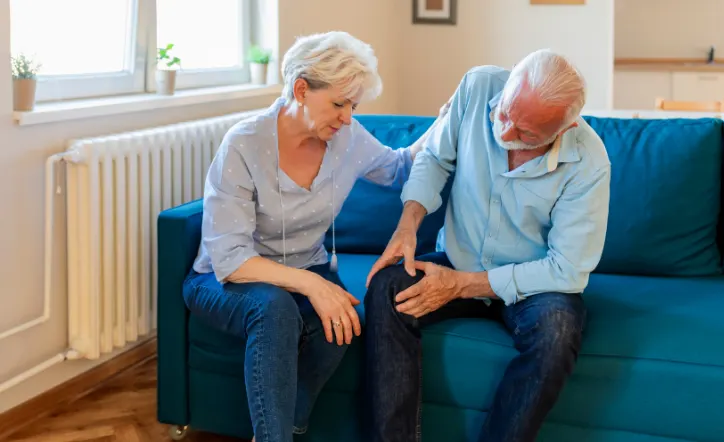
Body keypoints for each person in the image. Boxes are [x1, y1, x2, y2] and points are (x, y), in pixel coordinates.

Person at [182, 31, 448, 442]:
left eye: (353, 106)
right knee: (275, 310)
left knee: (341, 322)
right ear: (301, 89)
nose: (346, 117)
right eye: (339, 104)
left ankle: (287, 425)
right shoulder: (245, 143)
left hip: (305, 268)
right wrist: (313, 285)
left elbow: (399, 169)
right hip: (225, 279)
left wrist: (447, 121)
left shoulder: (348, 138)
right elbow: (231, 259)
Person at [363, 49, 611, 442]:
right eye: (505, 114)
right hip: (456, 259)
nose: (506, 133)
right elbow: (435, 157)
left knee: (559, 331)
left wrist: (461, 285)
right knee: (387, 288)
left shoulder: (589, 162)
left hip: (532, 285)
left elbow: (567, 269)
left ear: (563, 130)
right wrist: (408, 224)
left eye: (526, 134)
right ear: (511, 82)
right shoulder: (479, 87)